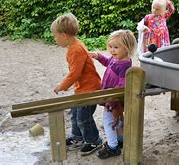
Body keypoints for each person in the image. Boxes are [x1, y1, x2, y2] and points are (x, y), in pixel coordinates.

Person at [51, 13, 103, 156]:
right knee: (75, 113)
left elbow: (75, 74)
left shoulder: (76, 50)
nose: (54, 40)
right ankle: (77, 136)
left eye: (55, 36)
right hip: (82, 88)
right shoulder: (74, 46)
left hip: (89, 89)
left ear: (63, 35)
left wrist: (62, 86)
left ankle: (94, 140)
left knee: (84, 117)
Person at [88, 29, 136, 159]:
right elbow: (108, 62)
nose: (112, 50)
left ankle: (112, 147)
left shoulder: (125, 65)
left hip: (114, 101)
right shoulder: (116, 59)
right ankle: (120, 141)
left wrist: (111, 101)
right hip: (111, 98)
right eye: (110, 47)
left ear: (127, 48)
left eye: (116, 47)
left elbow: (121, 86)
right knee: (118, 122)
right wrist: (99, 57)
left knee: (109, 123)